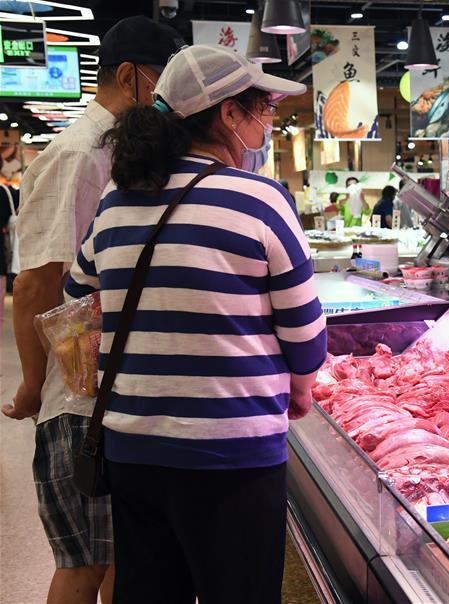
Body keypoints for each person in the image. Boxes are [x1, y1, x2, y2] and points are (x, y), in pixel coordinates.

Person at [64, 44, 326, 603]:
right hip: (232, 451)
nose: (267, 122)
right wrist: (300, 384)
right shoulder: (260, 199)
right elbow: (305, 334)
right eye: (263, 109)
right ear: (229, 113)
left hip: (132, 447)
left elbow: (77, 296)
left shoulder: (116, 201)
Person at [3, 16, 183, 604]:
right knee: (84, 562)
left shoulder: (119, 148)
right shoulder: (79, 153)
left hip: (114, 386)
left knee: (120, 557)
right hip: (82, 396)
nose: (171, 99)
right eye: (163, 81)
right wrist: (34, 385)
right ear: (130, 77)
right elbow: (37, 283)